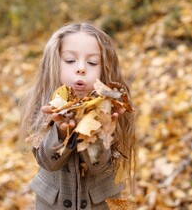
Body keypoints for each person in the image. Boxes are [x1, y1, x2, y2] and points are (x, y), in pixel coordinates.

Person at [19, 22, 136, 209]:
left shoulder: (112, 108)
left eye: (92, 62)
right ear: (54, 63)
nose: (81, 68)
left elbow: (98, 166)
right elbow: (47, 162)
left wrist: (96, 132)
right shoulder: (41, 103)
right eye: (70, 60)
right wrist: (61, 132)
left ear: (104, 68)